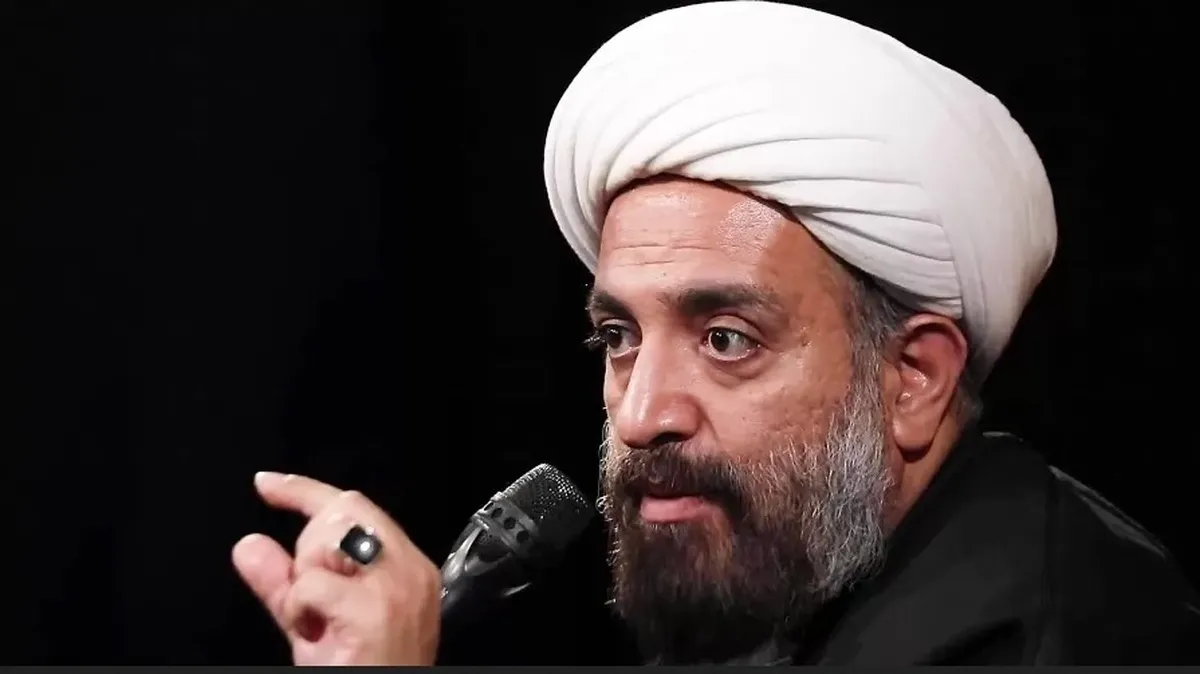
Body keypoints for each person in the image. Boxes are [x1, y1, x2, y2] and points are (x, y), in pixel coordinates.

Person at [231, 1, 1200, 665]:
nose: (641, 414)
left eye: (727, 338)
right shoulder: (794, 574)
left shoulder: (1043, 634)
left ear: (913, 376)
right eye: (618, 336)